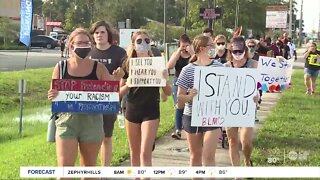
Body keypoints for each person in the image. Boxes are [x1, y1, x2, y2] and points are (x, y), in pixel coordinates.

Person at [47, 28, 123, 179]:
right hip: (67, 121)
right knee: (64, 171)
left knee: (88, 170)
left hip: (92, 122)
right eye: (80, 43)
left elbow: (113, 92)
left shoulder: (99, 68)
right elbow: (53, 93)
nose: (84, 46)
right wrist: (52, 94)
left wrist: (118, 78)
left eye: (87, 43)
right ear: (71, 46)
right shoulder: (60, 67)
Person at [119, 31, 172, 171]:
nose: (143, 44)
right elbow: (119, 92)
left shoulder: (158, 63)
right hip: (132, 109)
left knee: (145, 152)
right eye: (140, 41)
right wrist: (128, 84)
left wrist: (164, 79)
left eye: (147, 41)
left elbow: (168, 92)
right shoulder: (127, 64)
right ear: (133, 44)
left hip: (151, 111)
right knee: (134, 153)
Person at [176, 35, 223, 174]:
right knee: (195, 157)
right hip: (192, 116)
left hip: (213, 116)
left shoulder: (219, 67)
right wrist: (190, 96)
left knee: (209, 156)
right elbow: (179, 99)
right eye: (211, 45)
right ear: (202, 49)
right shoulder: (187, 70)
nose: (214, 48)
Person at [89, 20, 127, 167]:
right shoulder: (88, 52)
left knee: (106, 137)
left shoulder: (119, 52)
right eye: (96, 32)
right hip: (89, 100)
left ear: (108, 34)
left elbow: (125, 76)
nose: (99, 35)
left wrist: (119, 89)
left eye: (102, 32)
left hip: (110, 100)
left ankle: (105, 171)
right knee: (89, 138)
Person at [224, 36, 259, 168]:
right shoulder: (225, 67)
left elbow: (261, 82)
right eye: (235, 52)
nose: (238, 54)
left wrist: (257, 96)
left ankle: (247, 159)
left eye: (240, 51)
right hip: (229, 109)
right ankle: (236, 172)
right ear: (231, 51)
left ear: (244, 50)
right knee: (232, 141)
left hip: (247, 108)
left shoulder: (253, 64)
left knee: (246, 142)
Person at [167, 34, 194, 139]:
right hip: (179, 81)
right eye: (183, 46)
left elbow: (197, 61)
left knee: (191, 106)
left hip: (192, 81)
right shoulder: (176, 54)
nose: (184, 48)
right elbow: (169, 66)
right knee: (179, 105)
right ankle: (178, 129)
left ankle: (189, 127)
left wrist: (191, 52)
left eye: (186, 46)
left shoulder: (193, 54)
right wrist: (178, 52)